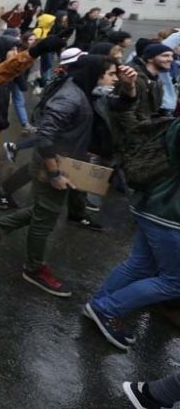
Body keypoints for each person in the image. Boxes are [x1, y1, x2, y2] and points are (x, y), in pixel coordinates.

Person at [0, 55, 120, 297]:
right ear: (96, 74)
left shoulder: (86, 92)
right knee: (45, 218)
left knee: (45, 210)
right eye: (110, 73)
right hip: (53, 166)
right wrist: (55, 173)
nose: (114, 78)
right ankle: (34, 268)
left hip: (67, 162)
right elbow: (46, 136)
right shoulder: (70, 97)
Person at [84, 77, 180, 351]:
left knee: (141, 264)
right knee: (175, 282)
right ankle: (107, 308)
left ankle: (98, 305)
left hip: (154, 207)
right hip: (168, 214)